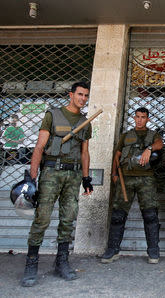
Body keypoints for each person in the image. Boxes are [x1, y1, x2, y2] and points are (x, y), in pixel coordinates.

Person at [21, 82, 94, 287]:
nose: (83, 98)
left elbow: (84, 152)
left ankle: (61, 262)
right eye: (80, 94)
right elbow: (39, 146)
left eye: (86, 95)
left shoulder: (85, 122)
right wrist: (32, 178)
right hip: (51, 172)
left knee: (68, 218)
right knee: (42, 218)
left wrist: (87, 179)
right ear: (71, 95)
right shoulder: (52, 115)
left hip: (73, 175)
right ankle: (31, 263)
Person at [101, 107, 163, 264]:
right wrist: (114, 174)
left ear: (148, 119)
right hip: (126, 178)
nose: (140, 119)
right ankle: (112, 250)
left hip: (146, 179)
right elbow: (117, 155)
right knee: (118, 215)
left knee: (150, 215)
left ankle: (153, 252)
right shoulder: (126, 136)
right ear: (134, 118)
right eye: (137, 117)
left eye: (143, 117)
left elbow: (160, 144)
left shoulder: (153, 135)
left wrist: (149, 148)